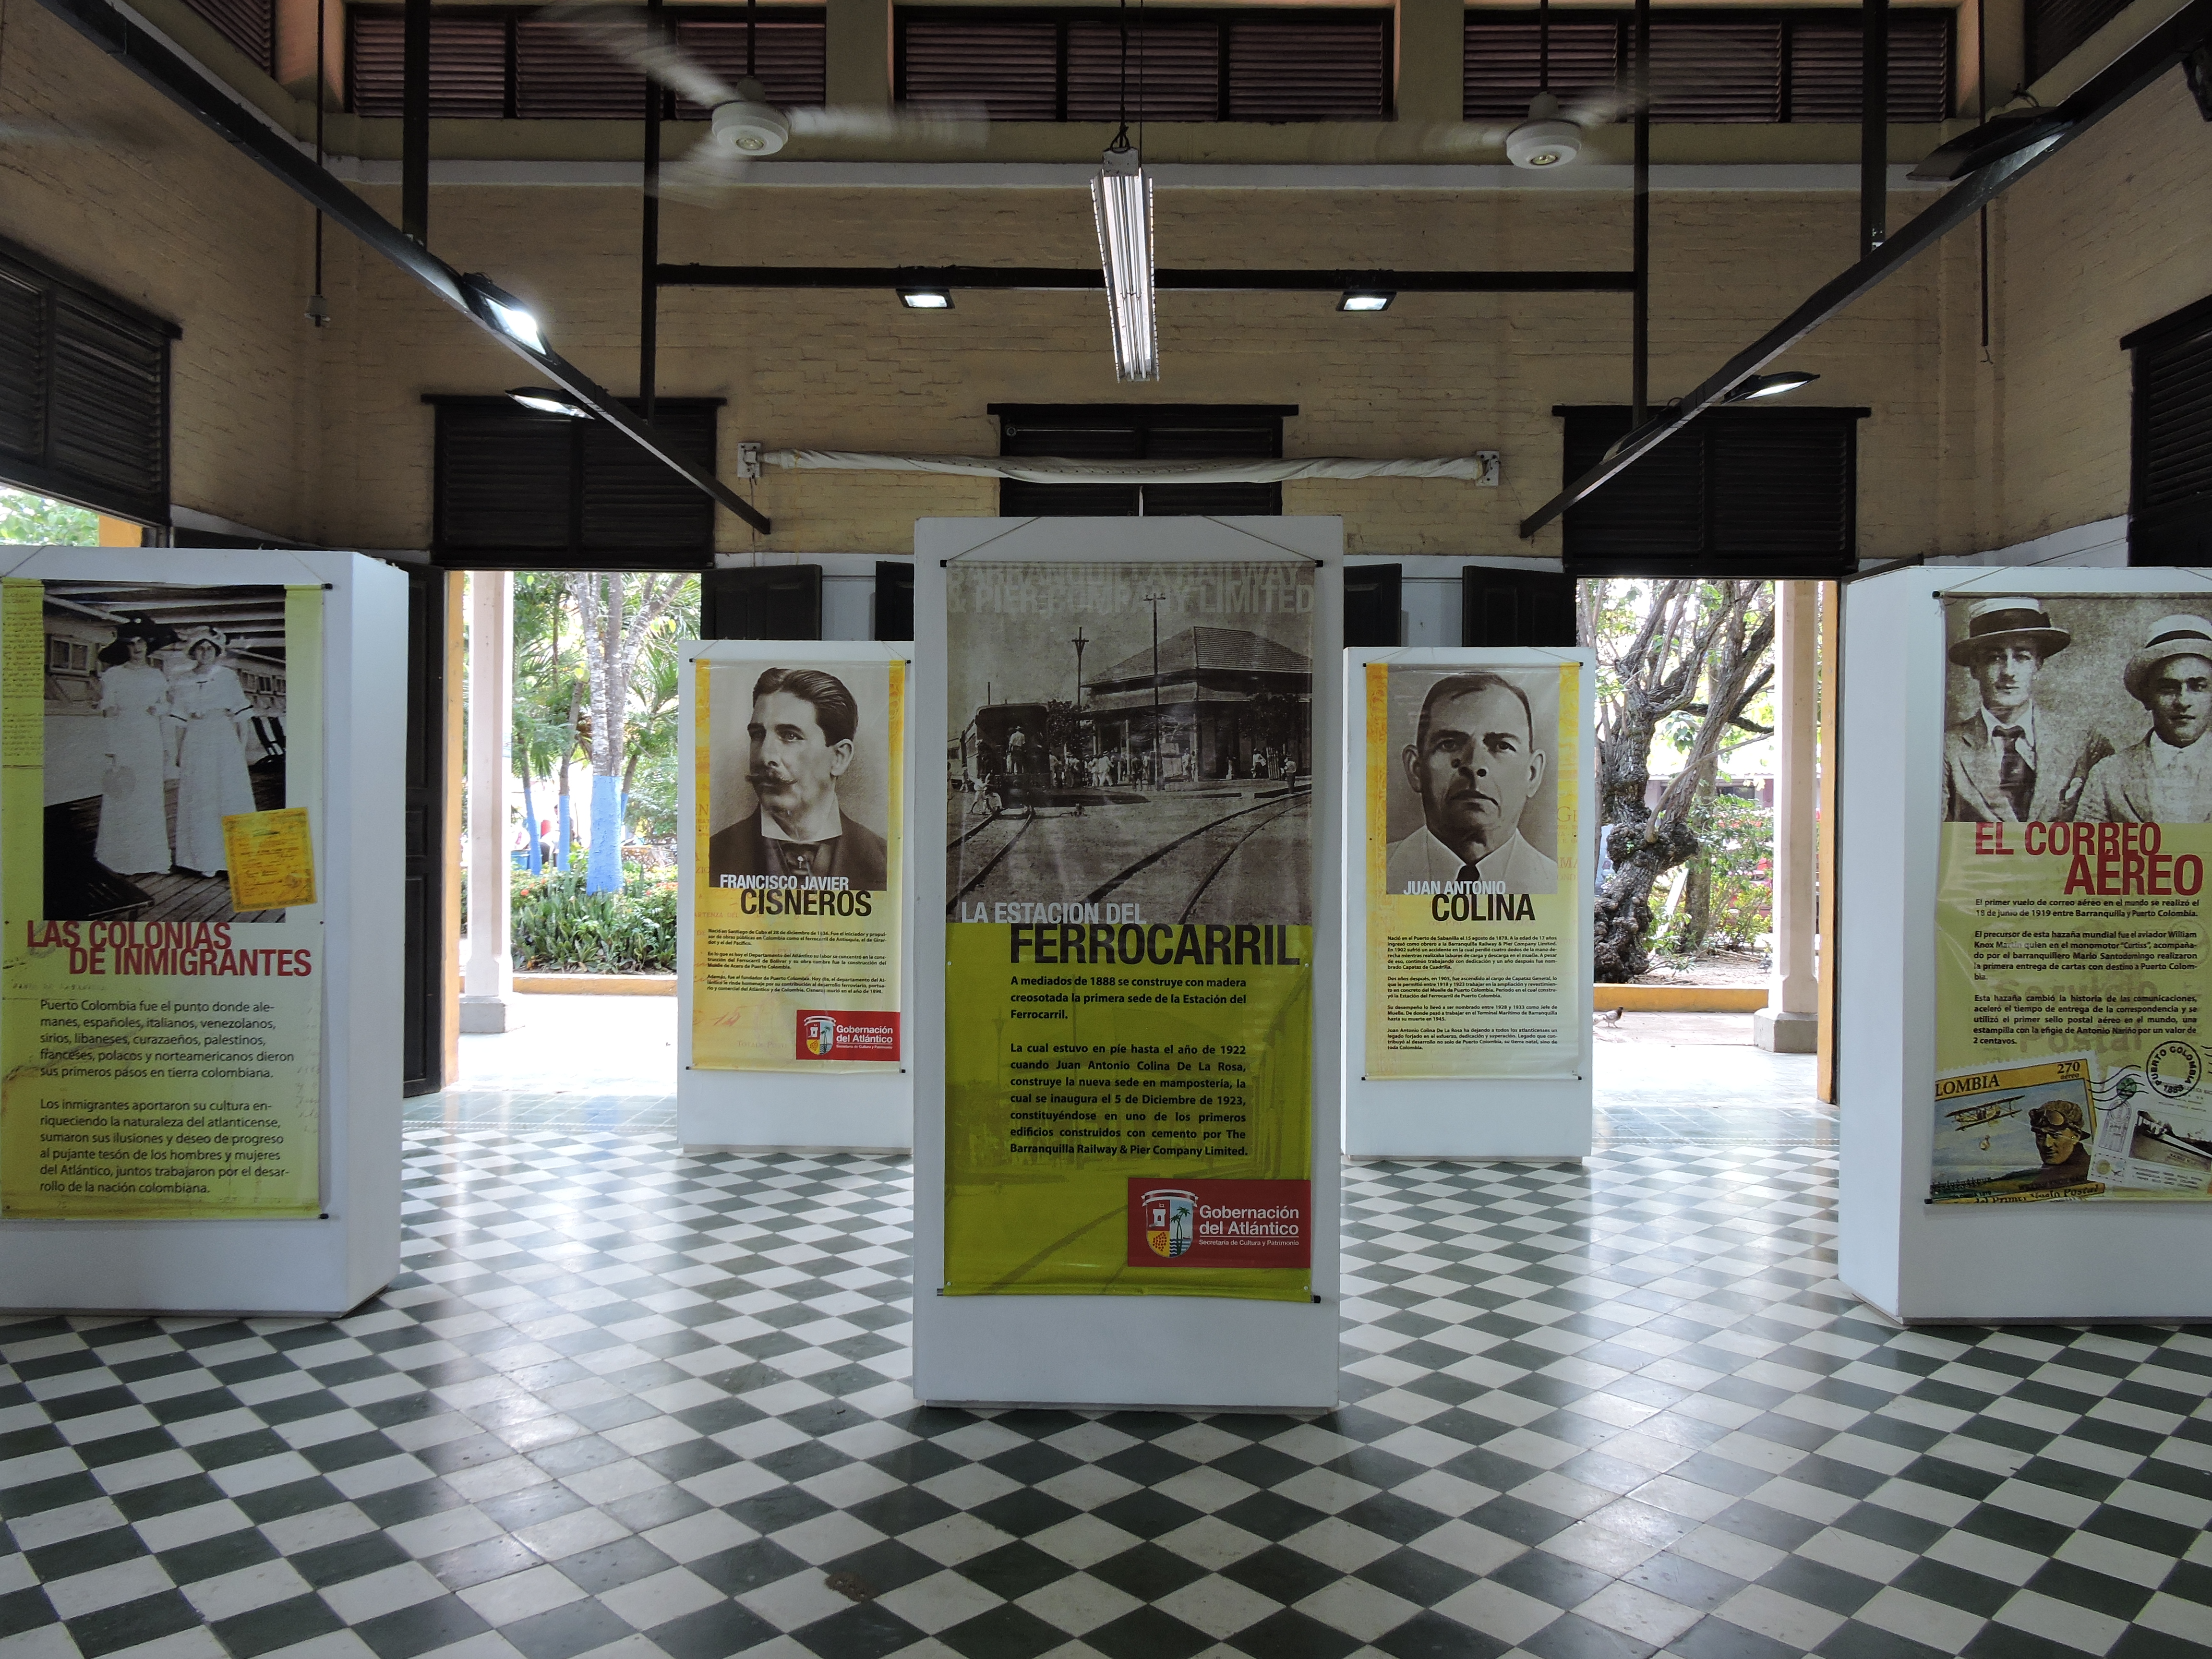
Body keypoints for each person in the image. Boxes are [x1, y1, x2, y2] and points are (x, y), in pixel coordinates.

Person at [709, 666, 888, 888]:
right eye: (758, 735)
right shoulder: (713, 856)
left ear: (839, 758)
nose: (765, 757)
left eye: (790, 736)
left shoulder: (884, 861)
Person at [1386, 672, 1558, 894]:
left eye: (1502, 746)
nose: (1475, 765)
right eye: (1449, 744)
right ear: (1416, 769)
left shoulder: (1559, 887)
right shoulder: (1372, 876)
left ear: (1532, 774)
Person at [1942, 596, 2095, 823]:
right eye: (1994, 658)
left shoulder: (2085, 743)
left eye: (2022, 657)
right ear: (1975, 669)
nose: (2009, 672)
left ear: (2038, 665)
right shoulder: (1947, 748)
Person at [2078, 614, 2212, 823]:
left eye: (2198, 687)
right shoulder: (2108, 774)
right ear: (2147, 698)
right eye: (2168, 689)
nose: (2183, 701)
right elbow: (2089, 851)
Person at [167, 628, 259, 878]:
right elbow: (178, 721)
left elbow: (242, 718)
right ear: (194, 652)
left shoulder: (228, 677)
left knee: (229, 795)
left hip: (223, 740)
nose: (205, 652)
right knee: (201, 796)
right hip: (196, 741)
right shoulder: (183, 681)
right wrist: (176, 752)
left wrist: (241, 749)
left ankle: (233, 860)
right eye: (200, 648)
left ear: (217, 652)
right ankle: (203, 859)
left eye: (210, 648)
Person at [92, 616, 177, 875]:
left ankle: (152, 859)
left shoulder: (156, 676)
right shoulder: (114, 675)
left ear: (148, 645)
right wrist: (112, 746)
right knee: (124, 795)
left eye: (141, 642)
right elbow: (107, 709)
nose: (137, 648)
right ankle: (121, 858)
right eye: (131, 644)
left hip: (149, 740)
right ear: (125, 648)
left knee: (149, 798)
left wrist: (159, 710)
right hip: (125, 741)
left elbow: (166, 706)